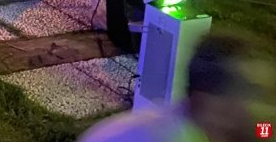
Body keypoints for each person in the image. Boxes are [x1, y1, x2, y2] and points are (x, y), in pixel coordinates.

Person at [77, 32, 276, 142]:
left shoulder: (192, 123)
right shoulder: (168, 136)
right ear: (210, 103)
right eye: (252, 92)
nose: (266, 106)